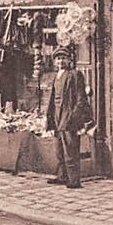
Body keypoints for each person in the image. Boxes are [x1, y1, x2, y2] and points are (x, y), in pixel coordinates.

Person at [46, 47, 94, 190]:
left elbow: (81, 99)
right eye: (58, 59)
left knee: (70, 149)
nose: (61, 61)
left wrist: (74, 116)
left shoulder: (74, 75)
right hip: (56, 115)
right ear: (55, 61)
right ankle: (62, 176)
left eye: (63, 58)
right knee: (59, 149)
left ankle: (74, 180)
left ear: (69, 60)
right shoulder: (56, 76)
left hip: (68, 115)